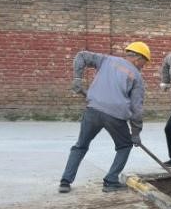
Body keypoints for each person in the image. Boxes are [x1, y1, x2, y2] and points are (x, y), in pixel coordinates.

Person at [59, 42, 151, 194]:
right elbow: (137, 110)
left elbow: (81, 56)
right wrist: (135, 133)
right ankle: (111, 181)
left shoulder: (107, 60)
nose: (143, 66)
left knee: (80, 145)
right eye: (144, 63)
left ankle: (65, 182)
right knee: (124, 146)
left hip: (93, 110)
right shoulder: (137, 77)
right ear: (138, 58)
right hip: (115, 116)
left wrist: (77, 79)